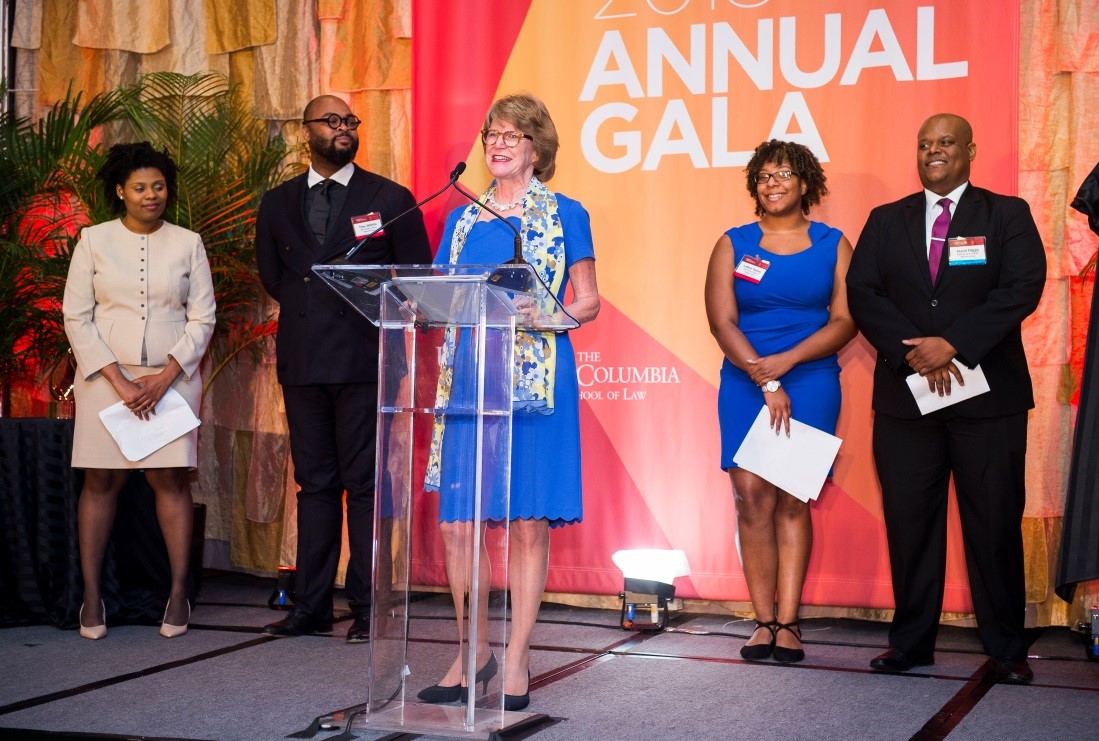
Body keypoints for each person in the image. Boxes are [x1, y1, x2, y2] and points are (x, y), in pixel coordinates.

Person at [846, 113, 1045, 684]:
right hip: (907, 402)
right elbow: (863, 291)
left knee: (994, 524)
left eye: (946, 142)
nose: (934, 151)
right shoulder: (886, 221)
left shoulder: (1007, 214)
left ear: (970, 151)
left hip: (989, 402)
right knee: (910, 525)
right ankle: (910, 644)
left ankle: (1006, 648)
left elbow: (1022, 287)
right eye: (924, 143)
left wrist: (954, 344)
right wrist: (914, 352)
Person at [418, 93, 600, 710]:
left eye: (512, 135)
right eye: (491, 134)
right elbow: (435, 294)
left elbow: (589, 301)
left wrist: (543, 315)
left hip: (537, 381)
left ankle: (517, 654)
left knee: (525, 521)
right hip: (468, 375)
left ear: (536, 148)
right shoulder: (463, 219)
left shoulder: (564, 212)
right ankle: (471, 650)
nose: (497, 143)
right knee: (457, 522)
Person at [255, 95, 432, 642]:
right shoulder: (279, 201)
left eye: (350, 121)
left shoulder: (389, 197)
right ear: (304, 130)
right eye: (331, 122)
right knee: (314, 486)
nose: (343, 129)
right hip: (304, 359)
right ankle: (310, 607)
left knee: (363, 486)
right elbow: (272, 275)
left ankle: (366, 607)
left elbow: (417, 275)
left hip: (366, 357)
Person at [704, 140, 855, 663]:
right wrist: (765, 378)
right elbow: (721, 321)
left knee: (792, 499)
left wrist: (786, 364)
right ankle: (761, 621)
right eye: (764, 175)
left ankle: (789, 623)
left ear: (806, 183)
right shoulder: (733, 243)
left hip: (810, 379)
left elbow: (845, 320)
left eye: (785, 174)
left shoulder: (834, 244)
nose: (773, 183)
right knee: (752, 499)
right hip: (746, 380)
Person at [63, 141, 216, 640]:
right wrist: (119, 379)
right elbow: (76, 317)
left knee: (171, 480)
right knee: (101, 482)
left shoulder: (188, 242)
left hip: (171, 380)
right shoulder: (93, 240)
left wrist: (166, 375)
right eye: (140, 187)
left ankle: (177, 592)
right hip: (105, 381)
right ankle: (91, 597)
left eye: (159, 186)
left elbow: (203, 317)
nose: (152, 195)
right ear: (120, 192)